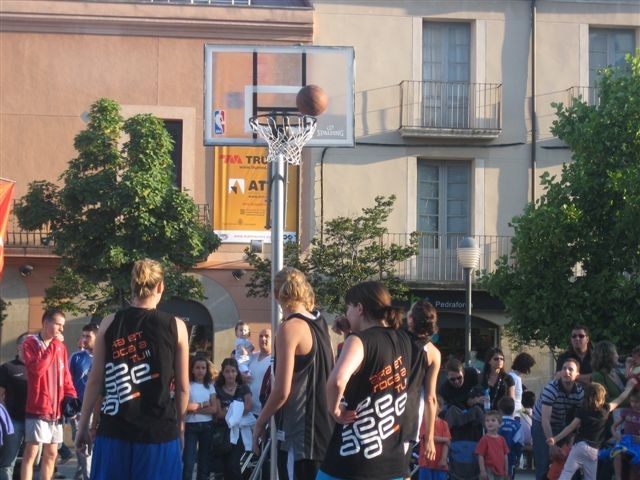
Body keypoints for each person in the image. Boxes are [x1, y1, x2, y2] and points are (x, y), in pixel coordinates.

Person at [74, 258, 190, 480]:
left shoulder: (109, 322)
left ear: (132, 285)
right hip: (158, 432)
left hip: (114, 431)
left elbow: (95, 381)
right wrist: (181, 428)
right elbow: (183, 387)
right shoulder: (176, 326)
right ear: (160, 286)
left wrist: (83, 427)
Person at [316, 281, 418, 480]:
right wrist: (349, 333)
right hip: (394, 462)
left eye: (348, 308)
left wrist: (334, 409)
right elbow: (370, 369)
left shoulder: (359, 341)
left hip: (352, 459)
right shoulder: (405, 340)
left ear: (360, 308)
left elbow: (337, 380)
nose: (346, 314)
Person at [252, 267, 333, 480]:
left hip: (299, 434)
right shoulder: (320, 323)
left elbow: (281, 390)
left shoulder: (290, 328)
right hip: (324, 429)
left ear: (275, 294)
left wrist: (259, 423)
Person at [21, 309, 77, 480]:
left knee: (52, 453)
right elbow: (37, 369)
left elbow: (66, 375)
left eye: (63, 326)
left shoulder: (61, 347)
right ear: (46, 323)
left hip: (57, 410)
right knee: (32, 452)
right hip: (38, 407)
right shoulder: (30, 343)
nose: (61, 329)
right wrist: (53, 345)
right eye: (58, 324)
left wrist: (72, 397)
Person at [546, 378, 637, 480]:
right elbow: (619, 399)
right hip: (594, 450)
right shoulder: (605, 410)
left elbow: (570, 427)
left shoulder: (582, 410)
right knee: (591, 477)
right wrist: (629, 388)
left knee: (567, 473)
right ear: (601, 398)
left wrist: (555, 438)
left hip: (580, 446)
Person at [531, 358, 585, 480]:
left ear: (577, 374)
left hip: (562, 423)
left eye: (571, 369)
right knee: (543, 463)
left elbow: (577, 420)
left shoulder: (579, 393)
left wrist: (571, 438)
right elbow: (545, 420)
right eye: (564, 368)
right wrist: (552, 446)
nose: (566, 372)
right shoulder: (551, 389)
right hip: (541, 423)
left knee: (568, 460)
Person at [405, 299, 442, 469]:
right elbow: (430, 399)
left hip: (384, 410)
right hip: (411, 415)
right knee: (403, 468)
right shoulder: (433, 353)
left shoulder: (395, 340)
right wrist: (429, 439)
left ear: (411, 319)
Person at [213, 357, 252, 480]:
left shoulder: (244, 388)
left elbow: (248, 407)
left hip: (238, 433)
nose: (230, 374)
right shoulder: (217, 389)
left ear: (237, 372)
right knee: (221, 468)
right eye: (227, 371)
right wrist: (236, 410)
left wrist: (228, 410)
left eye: (233, 371)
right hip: (221, 433)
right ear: (223, 373)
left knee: (233, 466)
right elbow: (218, 413)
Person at [68, 323, 98, 480]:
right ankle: (84, 474)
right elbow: (68, 382)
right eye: (83, 336)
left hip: (99, 409)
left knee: (92, 447)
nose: (84, 339)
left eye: (88, 336)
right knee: (81, 445)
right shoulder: (76, 357)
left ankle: (87, 475)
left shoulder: (105, 357)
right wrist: (70, 407)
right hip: (79, 408)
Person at [182, 355, 217, 480]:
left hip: (207, 426)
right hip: (190, 426)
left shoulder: (210, 386)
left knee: (204, 462)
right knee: (189, 462)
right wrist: (202, 405)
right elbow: (184, 407)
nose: (200, 371)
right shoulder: (187, 386)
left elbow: (214, 408)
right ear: (192, 369)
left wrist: (195, 409)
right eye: (197, 368)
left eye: (203, 368)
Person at [0, 333, 28, 480]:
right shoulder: (8, 368)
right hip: (13, 422)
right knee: (8, 462)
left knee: (33, 461)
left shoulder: (39, 367)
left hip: (34, 420)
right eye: (26, 343)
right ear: (19, 346)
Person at [438, 358, 484, 441]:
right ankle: (445, 438)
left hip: (474, 410)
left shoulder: (471, 374)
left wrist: (475, 398)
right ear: (447, 377)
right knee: (451, 410)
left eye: (459, 378)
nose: (456, 381)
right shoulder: (444, 389)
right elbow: (447, 405)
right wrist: (468, 400)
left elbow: (481, 387)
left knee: (479, 407)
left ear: (463, 373)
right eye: (452, 379)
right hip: (457, 414)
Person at [417, 395, 450, 480]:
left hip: (440, 464)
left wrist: (443, 459)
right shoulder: (424, 421)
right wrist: (445, 439)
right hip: (426, 463)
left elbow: (447, 443)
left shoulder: (444, 424)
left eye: (434, 405)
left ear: (440, 408)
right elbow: (427, 437)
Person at [610, 387, 640, 480]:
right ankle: (618, 478)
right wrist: (616, 435)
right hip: (626, 441)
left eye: (637, 402)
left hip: (637, 442)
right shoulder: (627, 412)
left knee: (635, 464)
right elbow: (613, 426)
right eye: (632, 401)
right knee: (617, 453)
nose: (634, 404)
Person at [245, 328, 272, 418]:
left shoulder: (275, 360)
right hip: (248, 410)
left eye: (267, 336)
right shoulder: (252, 357)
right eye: (261, 336)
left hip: (263, 412)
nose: (263, 338)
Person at [475, 410, 509, 480]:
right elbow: (480, 455)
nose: (489, 422)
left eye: (493, 420)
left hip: (500, 470)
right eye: (487, 420)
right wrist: (482, 471)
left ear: (499, 424)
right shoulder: (484, 439)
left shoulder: (502, 439)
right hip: (489, 470)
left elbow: (505, 455)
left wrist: (506, 469)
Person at [497, 396, 523, 480]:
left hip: (496, 458)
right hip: (511, 458)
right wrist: (518, 458)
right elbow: (519, 444)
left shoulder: (496, 424)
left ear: (500, 411)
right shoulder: (518, 426)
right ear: (513, 410)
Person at [519, 390, 535, 470]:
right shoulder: (535, 413)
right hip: (532, 442)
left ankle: (521, 465)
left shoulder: (519, 411)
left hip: (521, 441)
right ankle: (530, 466)